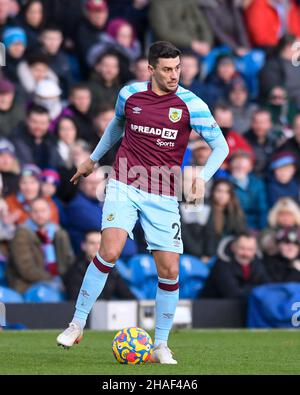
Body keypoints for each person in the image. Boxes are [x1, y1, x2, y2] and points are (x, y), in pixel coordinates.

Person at [57, 41, 229, 363]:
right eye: (166, 69)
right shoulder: (129, 95)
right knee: (109, 250)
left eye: (177, 68)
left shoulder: (192, 104)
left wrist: (201, 177)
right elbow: (116, 126)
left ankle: (160, 344)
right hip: (124, 183)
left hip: (163, 195)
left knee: (170, 269)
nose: (174, 75)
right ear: (150, 69)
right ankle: (77, 323)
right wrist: (93, 160)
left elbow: (221, 147)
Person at [7, 197, 74, 293]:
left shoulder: (58, 232)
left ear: (50, 212)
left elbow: (68, 260)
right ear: (29, 213)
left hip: (58, 281)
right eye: (35, 211)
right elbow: (26, 269)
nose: (39, 215)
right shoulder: (21, 233)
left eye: (43, 211)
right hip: (27, 284)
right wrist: (52, 280)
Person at [180, 178, 246, 260]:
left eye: (226, 192)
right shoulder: (204, 209)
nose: (222, 195)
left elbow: (240, 232)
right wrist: (204, 255)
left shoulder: (235, 213)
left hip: (227, 254)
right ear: (213, 192)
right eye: (219, 191)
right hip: (204, 254)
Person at [63, 230, 135, 301]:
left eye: (100, 243)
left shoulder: (110, 269)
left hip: (105, 310)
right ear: (84, 246)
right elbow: (76, 302)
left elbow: (127, 296)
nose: (97, 247)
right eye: (92, 243)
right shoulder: (75, 271)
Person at [201, 232, 269, 298]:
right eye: (242, 248)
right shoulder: (222, 264)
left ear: (255, 250)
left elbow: (268, 287)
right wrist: (258, 290)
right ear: (233, 247)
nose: (246, 254)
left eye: (250, 249)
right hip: (212, 306)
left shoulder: (258, 264)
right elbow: (233, 294)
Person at [10, 104, 59, 169]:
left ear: (48, 124)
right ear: (27, 121)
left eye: (43, 123)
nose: (38, 126)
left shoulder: (52, 141)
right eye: (34, 122)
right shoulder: (16, 140)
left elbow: (59, 164)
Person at [229, 150, 268, 230]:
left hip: (254, 227)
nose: (240, 165)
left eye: (243, 163)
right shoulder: (226, 183)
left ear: (250, 167)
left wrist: (261, 230)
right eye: (236, 162)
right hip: (232, 227)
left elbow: (262, 209)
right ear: (231, 166)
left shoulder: (257, 183)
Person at [244, 109, 277, 179]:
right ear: (252, 124)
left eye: (263, 122)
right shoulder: (243, 141)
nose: (260, 126)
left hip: (270, 180)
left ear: (270, 124)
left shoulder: (274, 141)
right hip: (250, 179)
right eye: (256, 122)